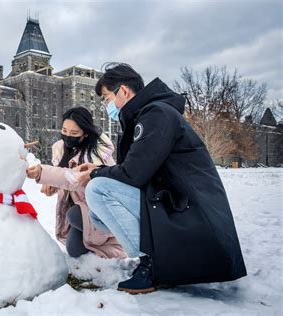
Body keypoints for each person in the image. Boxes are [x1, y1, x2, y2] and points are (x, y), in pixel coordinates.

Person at [76, 63, 247, 294]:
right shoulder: (148, 115)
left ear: (124, 91)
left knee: (98, 189)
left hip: (191, 213)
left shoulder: (156, 115)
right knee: (97, 214)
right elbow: (138, 167)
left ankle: (154, 264)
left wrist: (96, 173)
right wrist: (98, 167)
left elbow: (134, 174)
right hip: (173, 203)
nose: (107, 106)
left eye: (107, 99)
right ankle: (156, 255)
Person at [26, 107, 126, 259]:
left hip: (99, 210)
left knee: (72, 215)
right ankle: (95, 251)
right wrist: (53, 185)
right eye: (64, 130)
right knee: (74, 249)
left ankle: (116, 248)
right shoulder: (60, 148)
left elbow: (74, 180)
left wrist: (43, 173)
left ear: (85, 134)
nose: (67, 136)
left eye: (73, 134)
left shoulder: (96, 155)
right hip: (79, 207)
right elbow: (65, 180)